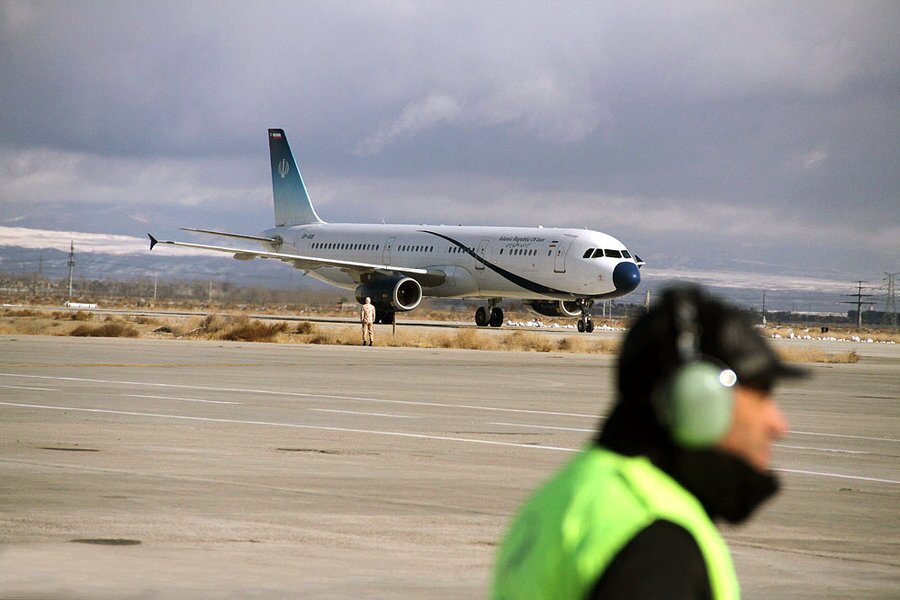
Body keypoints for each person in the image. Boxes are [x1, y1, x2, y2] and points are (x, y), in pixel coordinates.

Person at [491, 285, 804, 599]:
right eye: (763, 396)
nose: (779, 425)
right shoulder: (659, 545)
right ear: (699, 399)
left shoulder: (572, 494)